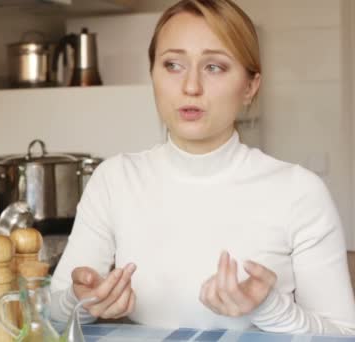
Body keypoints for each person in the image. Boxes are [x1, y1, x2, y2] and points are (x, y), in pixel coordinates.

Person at [50, 0, 355, 334]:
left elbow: (343, 332)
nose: (190, 87)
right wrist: (81, 303)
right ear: (152, 73)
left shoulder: (300, 192)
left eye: (214, 67)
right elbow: (53, 316)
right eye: (172, 65)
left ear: (250, 86)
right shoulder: (113, 180)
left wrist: (271, 309)